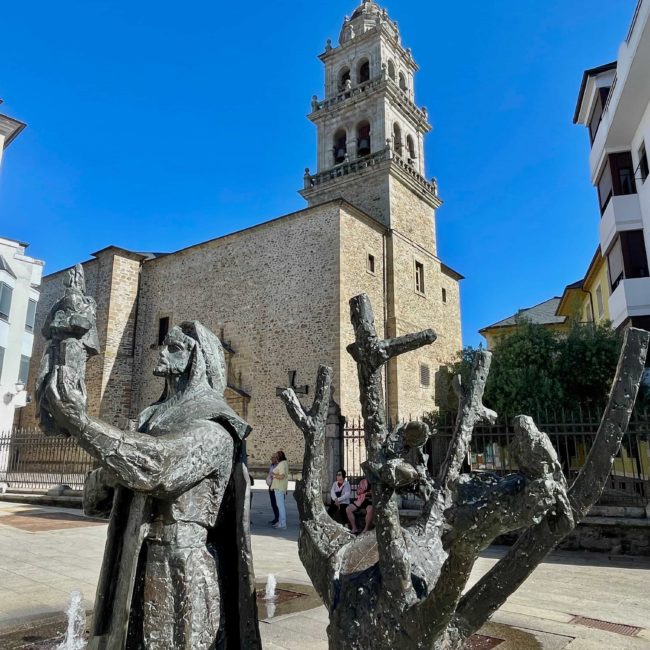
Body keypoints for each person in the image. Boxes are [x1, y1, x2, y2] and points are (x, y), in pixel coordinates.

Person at [43, 320, 262, 649]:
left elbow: (158, 468)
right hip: (135, 561)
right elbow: (95, 500)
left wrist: (83, 424)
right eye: (165, 344)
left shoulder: (217, 427)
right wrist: (114, 465)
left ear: (196, 360)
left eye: (174, 347)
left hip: (183, 563)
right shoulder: (147, 421)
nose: (162, 352)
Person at [271, 450, 289, 530]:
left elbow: (282, 476)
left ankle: (283, 523)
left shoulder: (281, 464)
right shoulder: (285, 463)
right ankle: (280, 521)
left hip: (279, 487)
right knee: (280, 505)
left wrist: (274, 476)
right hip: (281, 487)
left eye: (276, 456)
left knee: (280, 506)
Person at [266, 453, 280, 525]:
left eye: (272, 458)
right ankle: (276, 518)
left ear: (276, 458)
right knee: (273, 503)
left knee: (278, 504)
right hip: (271, 486)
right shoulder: (272, 465)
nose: (271, 459)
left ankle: (279, 519)